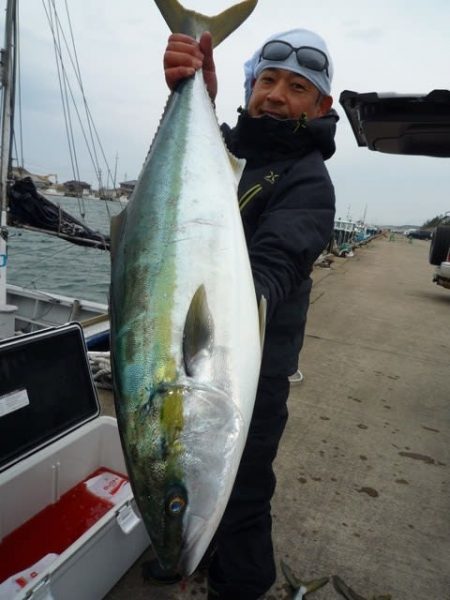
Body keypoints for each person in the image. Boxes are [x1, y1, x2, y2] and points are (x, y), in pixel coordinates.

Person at [162, 27, 338, 600]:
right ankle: (192, 542)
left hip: (254, 375)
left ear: (321, 105)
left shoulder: (308, 180)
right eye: (266, 80)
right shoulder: (226, 157)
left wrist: (223, 323)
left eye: (297, 86)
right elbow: (183, 186)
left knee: (244, 494)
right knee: (214, 484)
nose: (277, 94)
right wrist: (197, 94)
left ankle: (242, 585)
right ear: (249, 88)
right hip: (203, 356)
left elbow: (275, 266)